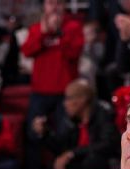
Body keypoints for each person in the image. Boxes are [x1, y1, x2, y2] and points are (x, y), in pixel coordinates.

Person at [22, 0, 85, 147]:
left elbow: (74, 53)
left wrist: (59, 33)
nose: (55, 7)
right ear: (44, 6)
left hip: (66, 92)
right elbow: (27, 51)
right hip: (40, 91)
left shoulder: (74, 27)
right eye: (51, 3)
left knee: (65, 136)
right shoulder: (36, 28)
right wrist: (44, 33)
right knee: (33, 134)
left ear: (64, 6)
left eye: (59, 3)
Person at [39, 79, 121, 169]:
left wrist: (73, 153)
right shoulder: (72, 121)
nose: (65, 104)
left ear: (83, 99)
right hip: (82, 162)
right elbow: (63, 149)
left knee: (92, 162)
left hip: (103, 164)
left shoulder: (103, 115)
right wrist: (45, 133)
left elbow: (108, 144)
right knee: (54, 167)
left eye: (68, 98)